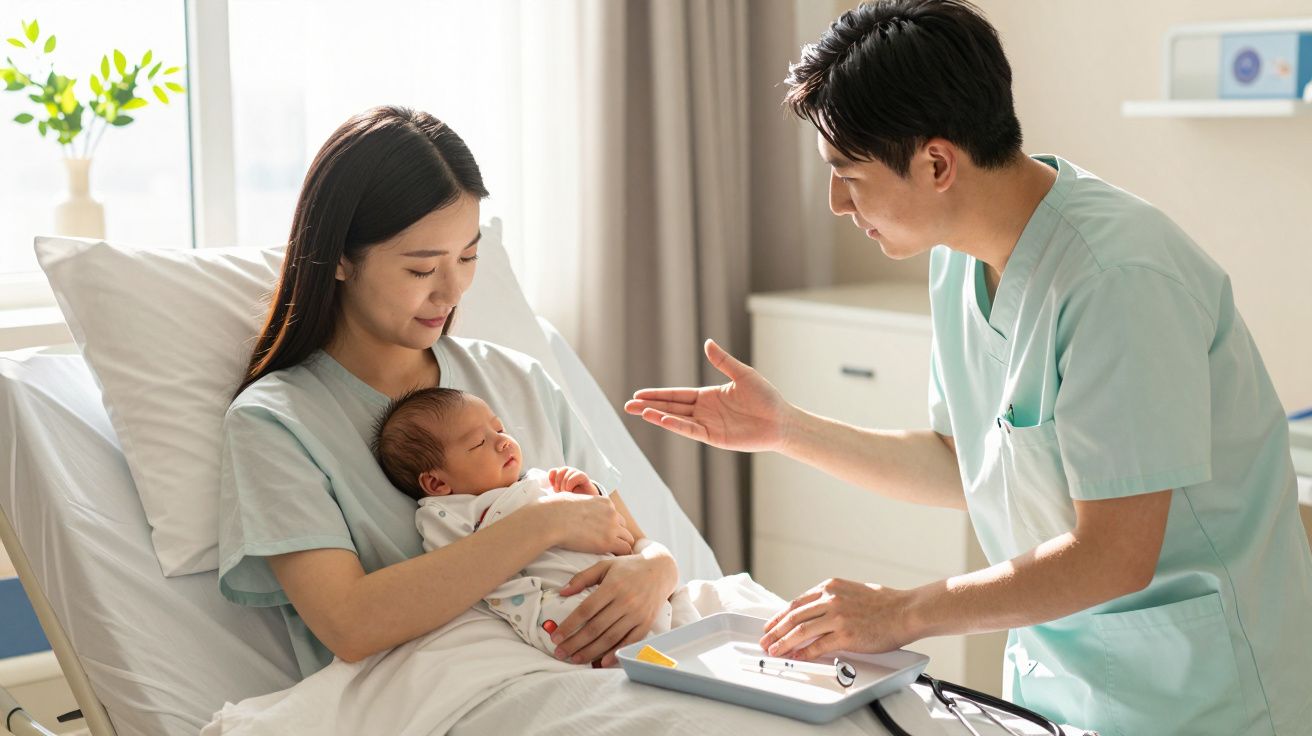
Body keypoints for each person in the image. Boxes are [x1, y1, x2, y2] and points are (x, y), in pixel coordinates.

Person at [625, 2, 1312, 734]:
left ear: (937, 163)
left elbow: (1115, 557)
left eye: (847, 174)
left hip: (1204, 697)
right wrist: (787, 429)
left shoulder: (1119, 279)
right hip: (1068, 684)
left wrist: (902, 613)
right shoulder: (959, 263)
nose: (834, 202)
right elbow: (966, 464)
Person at [218, 105, 680, 678]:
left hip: (607, 671)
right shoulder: (275, 422)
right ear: (338, 258)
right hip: (452, 695)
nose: (452, 290)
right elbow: (349, 624)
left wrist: (658, 571)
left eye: (469, 256)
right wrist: (543, 523)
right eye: (421, 270)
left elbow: (633, 539)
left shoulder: (518, 379)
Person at [372, 386, 697, 657]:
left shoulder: (539, 481)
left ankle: (689, 646)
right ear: (437, 484)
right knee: (585, 629)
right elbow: (459, 569)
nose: (503, 441)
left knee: (682, 614)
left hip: (622, 576)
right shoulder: (448, 514)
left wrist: (585, 491)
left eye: (499, 429)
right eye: (478, 443)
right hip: (562, 596)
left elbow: (616, 530)